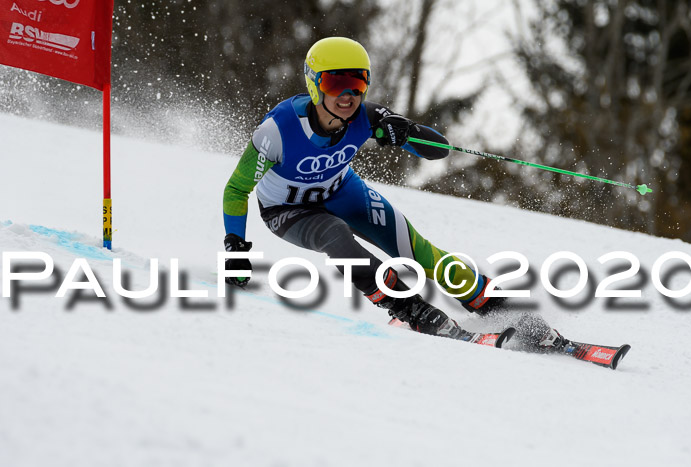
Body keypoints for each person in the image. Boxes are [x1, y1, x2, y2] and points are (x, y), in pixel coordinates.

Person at [222, 36, 563, 348]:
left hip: (343, 192)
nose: (347, 95)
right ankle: (407, 307)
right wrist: (235, 246)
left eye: (356, 84)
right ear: (314, 85)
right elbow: (237, 189)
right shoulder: (278, 130)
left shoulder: (366, 117)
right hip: (289, 210)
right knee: (336, 236)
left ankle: (491, 300)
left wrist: (407, 130)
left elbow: (439, 150)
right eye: (335, 83)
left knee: (418, 252)